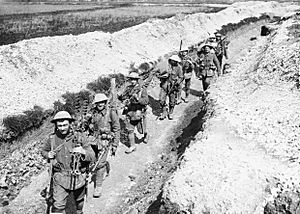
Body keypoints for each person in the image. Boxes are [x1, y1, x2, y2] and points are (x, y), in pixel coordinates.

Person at [41, 111, 95, 214]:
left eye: (65, 125)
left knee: (79, 201)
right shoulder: (52, 139)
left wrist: (83, 151)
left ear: (70, 124)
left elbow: (92, 156)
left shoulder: (80, 137)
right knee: (58, 205)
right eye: (59, 125)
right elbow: (44, 151)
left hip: (78, 177)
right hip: (60, 177)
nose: (62, 128)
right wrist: (48, 155)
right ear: (56, 125)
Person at [86, 93, 120, 198]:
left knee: (100, 163)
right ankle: (104, 169)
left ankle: (98, 186)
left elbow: (116, 128)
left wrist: (115, 144)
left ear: (105, 103)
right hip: (94, 140)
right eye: (98, 103)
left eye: (102, 102)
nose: (100, 104)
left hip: (105, 141)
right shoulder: (94, 113)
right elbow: (90, 125)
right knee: (92, 159)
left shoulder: (111, 113)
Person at [118, 71, 149, 154]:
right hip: (130, 111)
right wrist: (123, 100)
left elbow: (146, 101)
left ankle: (146, 135)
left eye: (134, 79)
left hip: (139, 111)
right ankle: (132, 146)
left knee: (142, 129)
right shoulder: (128, 89)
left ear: (137, 80)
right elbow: (124, 98)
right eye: (131, 79)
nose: (132, 81)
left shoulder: (142, 89)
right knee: (130, 129)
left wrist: (139, 100)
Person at [158, 55, 183, 120]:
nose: (174, 62)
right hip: (164, 85)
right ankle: (164, 112)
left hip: (173, 86)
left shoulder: (179, 67)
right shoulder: (166, 65)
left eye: (175, 61)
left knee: (172, 102)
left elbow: (181, 77)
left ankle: (170, 113)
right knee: (161, 100)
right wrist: (162, 76)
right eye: (173, 61)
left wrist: (178, 82)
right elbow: (158, 73)